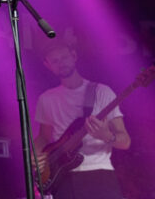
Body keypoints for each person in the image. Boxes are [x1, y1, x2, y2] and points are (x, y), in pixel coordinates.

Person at [34, 41, 131, 198]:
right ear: (48, 65)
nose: (61, 63)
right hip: (63, 177)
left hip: (99, 173)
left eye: (64, 57)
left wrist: (107, 136)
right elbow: (43, 137)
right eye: (55, 61)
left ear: (74, 56)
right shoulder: (46, 99)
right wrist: (35, 156)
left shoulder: (102, 92)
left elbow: (125, 141)